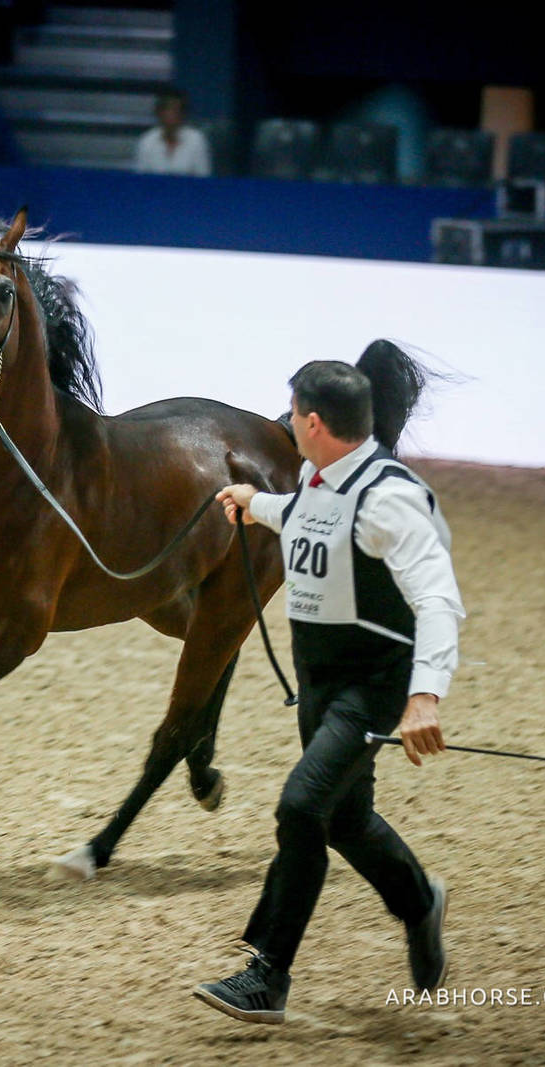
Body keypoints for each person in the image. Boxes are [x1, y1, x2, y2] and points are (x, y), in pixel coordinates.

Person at [193, 347, 463, 1025]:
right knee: (344, 817)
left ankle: (268, 974)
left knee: (302, 807)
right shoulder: (322, 478)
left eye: (291, 412)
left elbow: (437, 600)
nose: (286, 420)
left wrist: (424, 694)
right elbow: (313, 519)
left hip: (369, 688)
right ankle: (420, 900)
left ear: (312, 421)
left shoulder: (392, 496)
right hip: (317, 682)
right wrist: (257, 506)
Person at [133, 86, 212, 176]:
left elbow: (203, 179)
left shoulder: (197, 140)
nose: (171, 115)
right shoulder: (146, 141)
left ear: (183, 114)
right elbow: (140, 180)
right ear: (159, 113)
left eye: (176, 110)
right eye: (167, 109)